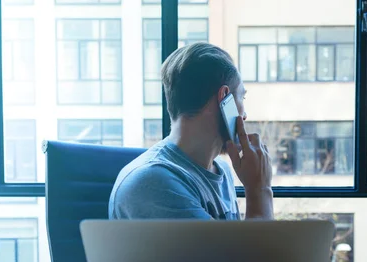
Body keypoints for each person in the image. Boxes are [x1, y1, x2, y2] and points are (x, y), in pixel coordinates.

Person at [109, 43, 273, 220]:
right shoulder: (154, 183)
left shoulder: (221, 170)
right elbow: (249, 249)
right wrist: (259, 189)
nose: (245, 114)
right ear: (224, 98)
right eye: (242, 97)